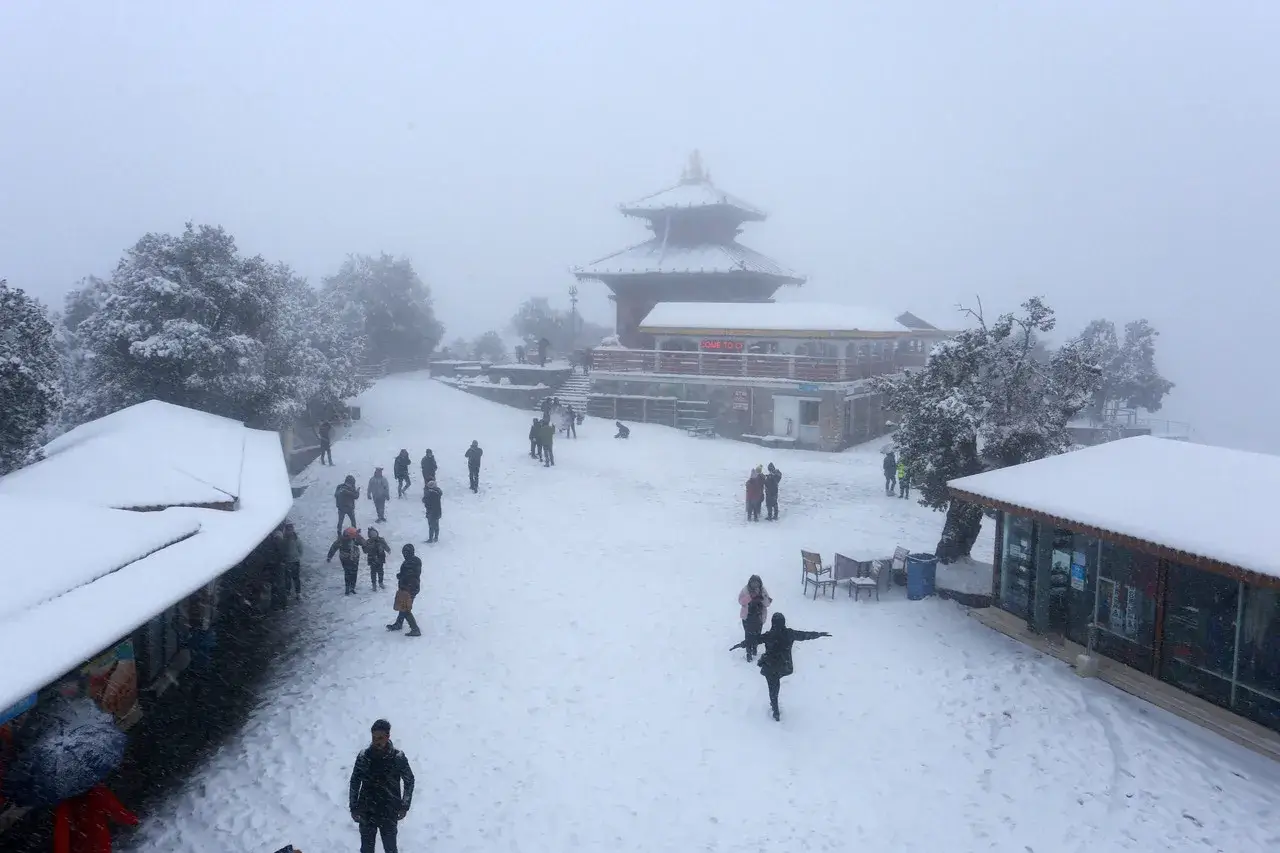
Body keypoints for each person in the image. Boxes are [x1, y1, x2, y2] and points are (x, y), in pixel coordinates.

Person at [730, 613, 831, 721]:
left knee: (773, 687)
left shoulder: (769, 635)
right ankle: (775, 707)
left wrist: (740, 644)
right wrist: (819, 634)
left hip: (770, 666)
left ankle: (775, 709)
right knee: (776, 682)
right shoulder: (789, 633)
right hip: (784, 666)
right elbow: (805, 635)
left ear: (773, 623)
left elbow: (752, 641)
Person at [349, 719, 415, 853]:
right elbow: (355, 782)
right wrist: (353, 806)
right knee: (366, 849)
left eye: (380, 737)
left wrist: (404, 805)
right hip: (367, 810)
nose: (376, 741)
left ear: (387, 736)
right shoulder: (364, 757)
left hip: (389, 810)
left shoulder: (398, 757)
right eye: (374, 737)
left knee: (390, 849)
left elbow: (409, 780)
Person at [386, 544, 422, 636]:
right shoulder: (414, 561)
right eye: (403, 552)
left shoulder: (410, 562)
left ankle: (415, 629)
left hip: (409, 588)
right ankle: (399, 623)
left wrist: (401, 577)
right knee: (403, 606)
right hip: (410, 587)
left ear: (410, 552)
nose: (404, 554)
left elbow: (410, 575)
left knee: (405, 608)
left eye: (406, 552)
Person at [736, 575, 773, 662]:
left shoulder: (763, 591)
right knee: (748, 635)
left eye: (757, 583)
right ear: (750, 583)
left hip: (759, 617)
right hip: (747, 617)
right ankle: (748, 652)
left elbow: (767, 604)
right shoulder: (745, 590)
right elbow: (740, 601)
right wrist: (750, 597)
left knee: (757, 635)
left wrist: (763, 598)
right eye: (753, 583)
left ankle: (754, 648)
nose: (755, 585)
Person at [327, 527, 366, 595]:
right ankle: (348, 588)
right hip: (345, 559)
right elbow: (334, 547)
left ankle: (352, 587)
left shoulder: (356, 537)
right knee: (348, 572)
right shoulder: (342, 539)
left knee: (353, 573)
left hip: (354, 558)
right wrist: (329, 557)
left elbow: (364, 544)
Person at [280, 521, 302, 600]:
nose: (290, 531)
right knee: (289, 578)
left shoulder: (293, 539)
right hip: (289, 561)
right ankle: (290, 592)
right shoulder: (287, 539)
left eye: (291, 529)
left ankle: (297, 593)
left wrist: (297, 556)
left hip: (293, 561)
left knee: (294, 578)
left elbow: (300, 548)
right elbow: (300, 549)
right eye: (289, 529)